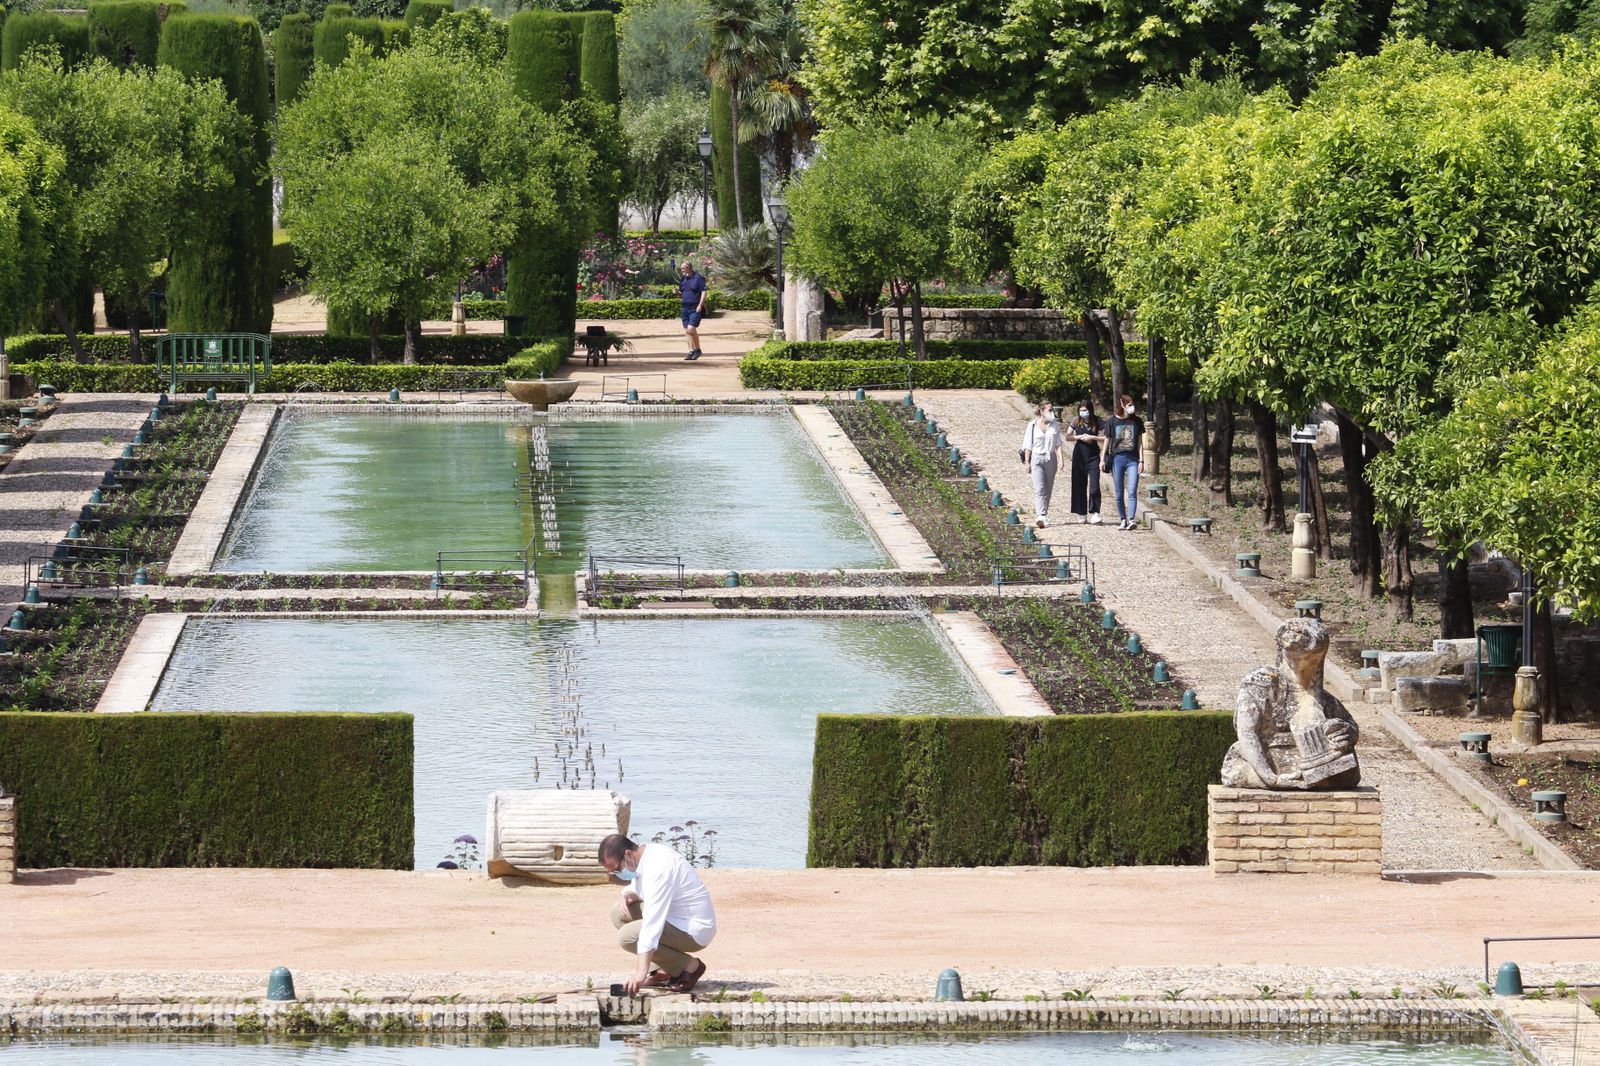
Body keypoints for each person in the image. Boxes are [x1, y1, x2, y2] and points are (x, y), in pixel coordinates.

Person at [599, 833, 716, 994]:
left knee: (627, 937)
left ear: (628, 854)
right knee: (618, 913)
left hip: (693, 930)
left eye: (617, 869)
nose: (619, 874)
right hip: (675, 919)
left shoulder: (658, 867)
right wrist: (626, 894)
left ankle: (690, 966)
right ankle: (663, 970)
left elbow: (652, 923)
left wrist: (640, 973)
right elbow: (639, 886)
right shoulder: (647, 855)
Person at [1019, 400, 1064, 528]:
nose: (1052, 412)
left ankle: (1044, 513)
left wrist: (1061, 460)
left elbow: (1058, 444)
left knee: (1048, 488)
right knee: (1039, 488)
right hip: (1037, 458)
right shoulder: (1032, 425)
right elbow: (1028, 445)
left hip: (1051, 458)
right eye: (1049, 410)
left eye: (1052, 410)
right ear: (1041, 411)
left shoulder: (1055, 425)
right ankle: (1041, 515)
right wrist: (1027, 462)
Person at [1105, 393, 1145, 530]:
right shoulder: (1112, 421)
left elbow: (1140, 442)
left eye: (1132, 404)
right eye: (1129, 405)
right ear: (1122, 405)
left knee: (1132, 490)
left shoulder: (1137, 421)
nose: (1132, 407)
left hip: (1133, 459)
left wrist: (1142, 460)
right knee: (1119, 492)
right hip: (1117, 459)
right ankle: (1123, 519)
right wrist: (1102, 457)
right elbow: (1107, 439)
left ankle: (1132, 519)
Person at [1065, 400, 1104, 524]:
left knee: (1094, 485)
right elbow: (1068, 436)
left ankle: (1095, 512)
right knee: (1079, 483)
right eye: (1081, 410)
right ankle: (1081, 512)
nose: (1083, 413)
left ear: (1090, 410)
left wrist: (1093, 437)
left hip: (1093, 455)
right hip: (1079, 455)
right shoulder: (1076, 420)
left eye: (1085, 410)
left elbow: (1106, 436)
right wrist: (1078, 437)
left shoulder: (1097, 421)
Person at [678, 262, 709, 361]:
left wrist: (700, 305)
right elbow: (683, 292)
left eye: (683, 268)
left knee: (691, 328)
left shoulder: (698, 278)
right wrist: (676, 293)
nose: (681, 270)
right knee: (687, 331)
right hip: (684, 308)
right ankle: (691, 351)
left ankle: (698, 350)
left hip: (694, 308)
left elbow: (704, 291)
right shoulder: (683, 279)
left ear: (689, 268)